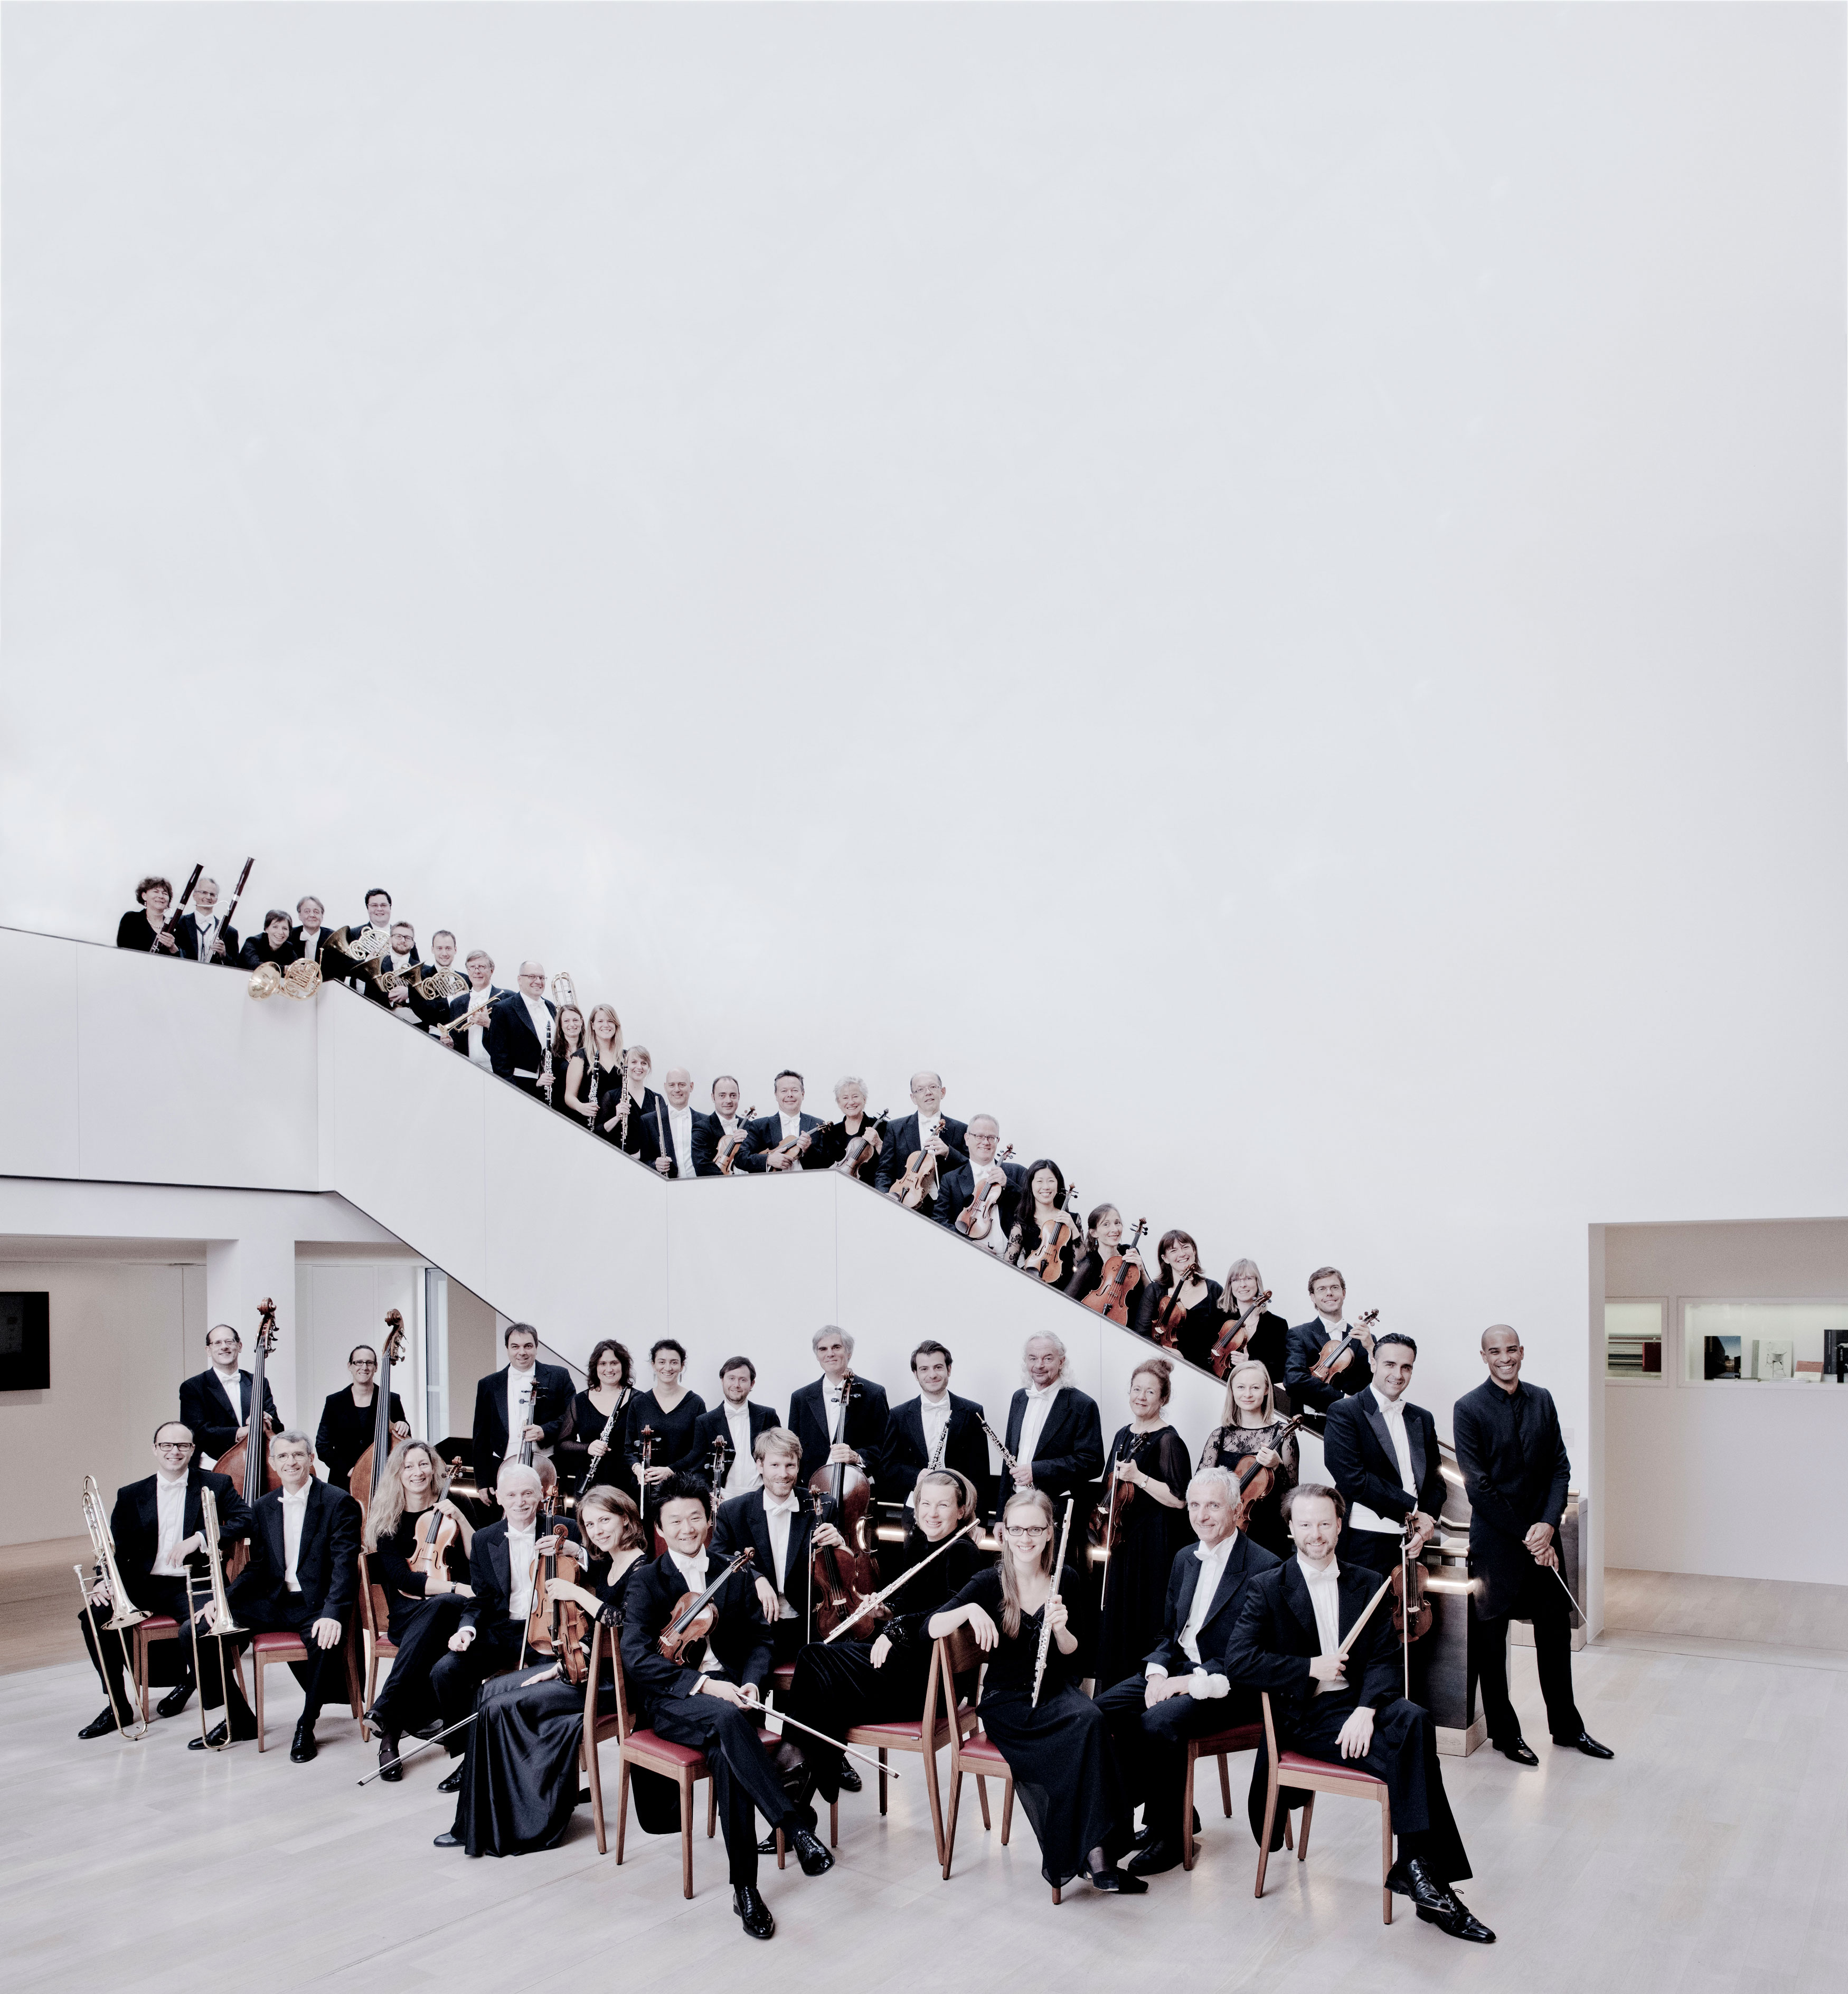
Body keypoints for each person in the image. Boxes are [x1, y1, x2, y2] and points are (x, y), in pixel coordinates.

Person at [1225, 1484, 1494, 1944]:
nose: (1315, 1533)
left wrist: (1367, 1708)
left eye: (1324, 1523)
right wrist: (1310, 1667)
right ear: (1291, 1529)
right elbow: (1239, 1661)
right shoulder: (1267, 1587)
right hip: (1306, 1716)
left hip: (1357, 1707)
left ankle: (1417, 1869)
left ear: (1339, 1525)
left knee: (1414, 1719)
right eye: (1305, 1524)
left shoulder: (1368, 1582)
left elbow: (1386, 1658)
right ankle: (1429, 1882)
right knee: (1414, 1756)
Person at [619, 1475, 835, 1939]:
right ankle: (793, 1824)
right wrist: (703, 1684)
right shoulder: (647, 1581)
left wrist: (753, 1682)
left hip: (735, 1696)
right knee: (727, 1718)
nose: (687, 1528)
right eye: (675, 1520)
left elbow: (760, 1638)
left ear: (709, 1520)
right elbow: (636, 1658)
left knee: (727, 1751)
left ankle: (745, 1890)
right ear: (659, 1527)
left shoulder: (733, 1570)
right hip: (674, 1699)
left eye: (695, 1517)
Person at [929, 1489, 1142, 1895]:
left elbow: (1077, 1655)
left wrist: (1061, 1629)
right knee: (1080, 1731)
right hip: (1008, 1702)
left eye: (1034, 1529)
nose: (1025, 1538)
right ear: (1004, 1533)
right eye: (1016, 1529)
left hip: (1055, 1691)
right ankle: (1092, 1856)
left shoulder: (1067, 1579)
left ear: (1049, 1533)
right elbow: (933, 1626)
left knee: (1093, 1719)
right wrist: (969, 1610)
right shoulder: (988, 1582)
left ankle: (1098, 1852)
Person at [436, 1485, 649, 1855]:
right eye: (590, 1523)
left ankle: (518, 1824)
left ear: (627, 1519)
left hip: (613, 1683)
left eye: (605, 1520)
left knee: (499, 1707)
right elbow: (593, 1635)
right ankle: (474, 1818)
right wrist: (561, 1666)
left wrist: (576, 1593)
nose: (598, 1530)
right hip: (583, 1668)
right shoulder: (608, 1563)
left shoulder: (643, 1568)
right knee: (490, 1692)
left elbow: (621, 1623)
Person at [1095, 1466, 1279, 1875]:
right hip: (1179, 1666)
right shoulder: (1185, 1557)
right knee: (1099, 1712)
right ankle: (1148, 1816)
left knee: (1158, 1721)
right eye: (1195, 1505)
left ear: (1236, 1508)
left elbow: (1247, 1655)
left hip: (1230, 1684)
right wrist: (1159, 1674)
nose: (1201, 1515)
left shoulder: (1264, 1566)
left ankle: (1171, 1834)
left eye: (1213, 1505)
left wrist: (1184, 1683)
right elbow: (1168, 1633)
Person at [779, 1467, 984, 1813]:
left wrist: (897, 1629)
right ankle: (803, 1799)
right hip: (907, 1670)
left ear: (961, 1510)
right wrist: (887, 1611)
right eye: (926, 1504)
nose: (932, 1513)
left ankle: (805, 1781)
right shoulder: (923, 1544)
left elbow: (951, 1611)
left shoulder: (962, 1551)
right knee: (821, 1681)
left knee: (814, 1660)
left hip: (929, 1684)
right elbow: (912, 1601)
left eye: (943, 1505)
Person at [1454, 1326, 1612, 1766]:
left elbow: (1560, 1468)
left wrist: (1548, 1524)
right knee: (1491, 1644)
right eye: (1495, 1351)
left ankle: (1568, 1729)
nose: (1505, 1358)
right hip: (1497, 1546)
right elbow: (1478, 1486)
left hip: (1544, 1540)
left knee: (1556, 1637)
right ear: (1484, 1356)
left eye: (1512, 1349)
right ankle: (1505, 1735)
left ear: (1521, 1352)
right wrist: (1530, 1534)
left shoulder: (1542, 1399)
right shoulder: (1468, 1407)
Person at [74, 1421, 252, 1738]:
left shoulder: (216, 1483)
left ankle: (238, 1716)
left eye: (182, 1445)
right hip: (142, 1585)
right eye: (167, 1445)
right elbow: (114, 1547)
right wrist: (105, 1579)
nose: (175, 1452)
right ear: (155, 1450)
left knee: (206, 1629)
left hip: (194, 1581)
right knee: (94, 1616)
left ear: (193, 1450)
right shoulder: (132, 1494)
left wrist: (200, 1538)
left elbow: (246, 1519)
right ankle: (118, 1705)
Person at [210, 1430, 360, 1761]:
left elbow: (344, 1566)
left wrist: (333, 1613)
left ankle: (307, 1724)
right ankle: (240, 1718)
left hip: (316, 1604)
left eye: (298, 1454)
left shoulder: (338, 1501)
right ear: (273, 1463)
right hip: (275, 1602)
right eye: (283, 1456)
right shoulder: (263, 1506)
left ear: (311, 1459)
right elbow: (257, 1566)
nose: (291, 1462)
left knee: (324, 1641)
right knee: (199, 1633)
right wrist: (223, 1600)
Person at [428, 1462, 578, 1787]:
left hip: (550, 1631)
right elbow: (480, 1598)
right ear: (498, 1497)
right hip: (501, 1630)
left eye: (528, 1494)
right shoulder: (485, 1539)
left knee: (540, 1690)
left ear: (541, 1495)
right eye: (511, 1495)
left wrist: (575, 1550)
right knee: (445, 1671)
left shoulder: (565, 1529)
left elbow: (600, 1568)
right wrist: (466, 1629)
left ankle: (537, 1769)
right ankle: (471, 1757)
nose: (520, 1502)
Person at [363, 1439, 476, 1780]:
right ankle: (394, 1726)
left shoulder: (457, 1503)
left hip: (455, 1613)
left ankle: (387, 1721)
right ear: (398, 1473)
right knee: (437, 1611)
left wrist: (461, 1519)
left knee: (443, 1607)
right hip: (408, 1612)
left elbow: (480, 1558)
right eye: (408, 1466)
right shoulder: (389, 1518)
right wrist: (453, 1587)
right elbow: (404, 1579)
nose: (417, 1472)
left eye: (423, 1464)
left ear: (434, 1467)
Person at [712, 1428, 850, 1665]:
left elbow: (840, 1571)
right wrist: (755, 1577)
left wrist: (840, 1545)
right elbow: (716, 1560)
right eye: (775, 1465)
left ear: (798, 1466)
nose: (783, 1474)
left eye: (790, 1465)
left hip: (810, 1622)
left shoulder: (824, 1506)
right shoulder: (733, 1511)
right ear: (760, 1466)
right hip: (755, 1624)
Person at [1096, 1359, 1194, 1693]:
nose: (1141, 1397)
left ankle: (1142, 1694)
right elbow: (1111, 1484)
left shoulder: (1169, 1440)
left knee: (1144, 1614)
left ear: (1163, 1399)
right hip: (1123, 1538)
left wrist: (1140, 1478)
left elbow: (1179, 1500)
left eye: (1150, 1392)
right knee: (1118, 1615)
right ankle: (1113, 1696)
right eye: (1136, 1390)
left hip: (1153, 1543)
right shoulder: (1123, 1434)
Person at [1323, 1332, 1445, 1578]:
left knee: (1408, 1605)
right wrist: (1413, 1512)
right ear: (1373, 1363)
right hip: (1364, 1539)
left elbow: (1436, 1480)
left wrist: (1424, 1525)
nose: (1398, 1374)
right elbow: (1353, 1479)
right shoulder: (1344, 1412)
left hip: (1412, 1539)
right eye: (1390, 1364)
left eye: (1406, 1367)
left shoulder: (1422, 1417)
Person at [1200, 1361, 1298, 1560]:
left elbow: (1292, 1499)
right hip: (1223, 1530)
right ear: (1232, 1391)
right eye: (1241, 1387)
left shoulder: (1284, 1435)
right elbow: (1201, 1489)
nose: (1248, 1394)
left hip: (1268, 1534)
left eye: (1255, 1387)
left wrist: (1278, 1466)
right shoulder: (1219, 1436)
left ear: (1266, 1390)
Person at [999, 1331, 1104, 1514]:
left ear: (1061, 1361)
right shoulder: (1019, 1398)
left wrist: (1037, 1470)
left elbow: (1093, 1463)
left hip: (1056, 1508)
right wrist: (1001, 1515)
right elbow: (1007, 1458)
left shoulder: (1082, 1405)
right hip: (1015, 1503)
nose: (1039, 1365)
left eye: (1047, 1358)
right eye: (1033, 1358)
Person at [880, 1340, 991, 1510]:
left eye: (938, 1367)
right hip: (917, 1507)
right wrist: (917, 1476)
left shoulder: (972, 1412)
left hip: (960, 1508)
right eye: (924, 1369)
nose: (932, 1375)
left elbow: (981, 1473)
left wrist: (978, 1518)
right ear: (916, 1374)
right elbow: (888, 1466)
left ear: (949, 1369)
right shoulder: (899, 1415)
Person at [471, 1322, 574, 1498]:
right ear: (507, 1349)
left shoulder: (559, 1376)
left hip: (548, 1464)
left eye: (528, 1346)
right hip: (503, 1464)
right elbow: (480, 1435)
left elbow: (572, 1417)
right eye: (515, 1347)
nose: (522, 1352)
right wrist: (482, 1481)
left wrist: (545, 1431)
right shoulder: (488, 1384)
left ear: (536, 1347)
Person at [788, 1326, 889, 1489]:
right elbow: (793, 1450)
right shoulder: (800, 1398)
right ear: (817, 1356)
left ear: (849, 1352)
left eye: (836, 1347)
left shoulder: (873, 1394)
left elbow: (886, 1448)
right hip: (812, 1488)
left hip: (857, 1488)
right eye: (823, 1349)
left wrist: (856, 1456)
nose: (830, 1354)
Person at [178, 1322, 280, 1464]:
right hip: (212, 1465)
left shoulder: (259, 1382)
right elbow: (196, 1431)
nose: (224, 1347)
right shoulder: (193, 1387)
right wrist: (240, 1432)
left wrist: (267, 1421)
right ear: (208, 1350)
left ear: (240, 1346)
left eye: (229, 1342)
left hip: (257, 1463)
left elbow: (279, 1428)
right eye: (217, 1343)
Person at [314, 1344, 410, 1492]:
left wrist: (404, 1426)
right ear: (350, 1366)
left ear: (376, 1367)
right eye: (359, 1362)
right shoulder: (335, 1402)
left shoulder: (392, 1400)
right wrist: (348, 1470)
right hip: (343, 1482)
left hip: (382, 1481)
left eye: (369, 1363)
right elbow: (322, 1446)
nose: (364, 1367)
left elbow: (405, 1443)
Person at [625, 1337, 709, 1500]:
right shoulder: (639, 1403)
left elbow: (699, 1451)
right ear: (653, 1365)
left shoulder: (696, 1403)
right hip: (644, 1487)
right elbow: (628, 1448)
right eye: (662, 1362)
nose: (668, 1368)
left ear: (682, 1366)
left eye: (674, 1362)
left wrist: (671, 1470)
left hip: (682, 1488)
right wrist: (637, 1468)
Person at [1285, 1264, 1376, 1412]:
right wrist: (1343, 1400)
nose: (1329, 1293)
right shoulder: (1299, 1335)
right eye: (1322, 1289)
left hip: (1352, 1420)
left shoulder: (1365, 1338)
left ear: (1344, 1293)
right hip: (1311, 1421)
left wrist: (1372, 1350)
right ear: (1313, 1297)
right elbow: (1294, 1380)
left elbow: (1376, 1386)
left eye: (1335, 1288)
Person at [687, 1356, 781, 1499]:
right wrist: (710, 1494)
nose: (736, 1385)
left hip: (762, 1494)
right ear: (722, 1380)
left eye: (743, 1380)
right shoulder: (705, 1422)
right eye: (731, 1378)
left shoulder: (768, 1416)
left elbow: (780, 1457)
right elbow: (697, 1468)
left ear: (752, 1384)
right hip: (723, 1496)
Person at [555, 1339, 636, 1500]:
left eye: (614, 1363)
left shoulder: (638, 1400)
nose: (609, 1369)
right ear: (595, 1367)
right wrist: (588, 1448)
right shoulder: (580, 1401)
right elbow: (563, 1444)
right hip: (589, 1485)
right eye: (603, 1364)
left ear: (623, 1365)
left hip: (627, 1482)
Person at [930, 1114, 1026, 1248]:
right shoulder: (951, 1180)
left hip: (1014, 1254)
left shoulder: (1017, 1172)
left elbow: (1035, 1207)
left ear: (998, 1141)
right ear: (967, 1139)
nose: (986, 1142)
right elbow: (939, 1220)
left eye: (991, 1138)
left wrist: (1008, 1185)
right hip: (970, 1253)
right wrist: (972, 1245)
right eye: (979, 1136)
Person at [1133, 1230, 1223, 1367]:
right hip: (1163, 1366)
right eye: (1174, 1250)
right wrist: (1167, 1353)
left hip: (1204, 1369)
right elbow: (1141, 1335)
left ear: (1194, 1250)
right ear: (1165, 1258)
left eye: (1185, 1247)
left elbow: (1224, 1337)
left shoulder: (1214, 1290)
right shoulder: (1155, 1291)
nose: (1182, 1254)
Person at [875, 1071, 968, 1194]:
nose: (928, 1092)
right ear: (913, 1098)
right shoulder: (895, 1128)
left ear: (943, 1092)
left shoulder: (962, 1129)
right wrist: (885, 1198)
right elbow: (884, 1172)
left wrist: (948, 1152)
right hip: (905, 1199)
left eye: (933, 1087)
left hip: (946, 1202)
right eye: (920, 1090)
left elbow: (971, 1169)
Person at [1212, 1259, 1291, 1401]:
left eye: (1248, 1278)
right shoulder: (1219, 1317)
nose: (1242, 1284)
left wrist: (1251, 1362)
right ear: (1230, 1285)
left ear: (1257, 1282)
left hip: (1258, 1399)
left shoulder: (1277, 1325)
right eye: (1236, 1280)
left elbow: (1281, 1371)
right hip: (1218, 1391)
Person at [484, 961, 556, 1095]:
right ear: (520, 980)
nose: (538, 981)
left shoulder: (550, 1007)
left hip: (552, 1085)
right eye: (532, 977)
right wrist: (514, 1091)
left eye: (542, 978)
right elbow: (499, 1059)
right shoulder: (503, 1009)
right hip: (521, 1086)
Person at [1005, 1159, 1077, 1283]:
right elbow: (1008, 1264)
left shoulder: (1072, 1219)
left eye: (1051, 1181)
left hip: (1066, 1289)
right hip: (1032, 1284)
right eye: (1040, 1181)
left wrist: (1073, 1228)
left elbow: (1081, 1265)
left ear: (1058, 1185)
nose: (1046, 1187)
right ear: (1031, 1185)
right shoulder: (1022, 1222)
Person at [1064, 1204, 1149, 1307]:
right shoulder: (1089, 1264)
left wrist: (1142, 1271)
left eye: (1117, 1223)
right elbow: (1065, 1301)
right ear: (1094, 1233)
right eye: (1106, 1225)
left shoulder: (1129, 1252)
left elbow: (1152, 1297)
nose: (1115, 1229)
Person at [740, 1069, 823, 1172]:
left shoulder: (817, 1125)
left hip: (808, 1181)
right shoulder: (760, 1126)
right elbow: (741, 1158)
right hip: (772, 1182)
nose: (790, 1095)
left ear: (803, 1094)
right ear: (776, 1095)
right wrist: (768, 1160)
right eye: (784, 1091)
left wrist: (808, 1150)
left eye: (795, 1090)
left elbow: (827, 1162)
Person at [803, 1076, 884, 1175]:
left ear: (864, 1099)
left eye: (855, 1097)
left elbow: (892, 1163)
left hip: (870, 1183)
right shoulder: (831, 1132)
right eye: (845, 1098)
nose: (851, 1102)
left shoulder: (881, 1127)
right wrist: (808, 1149)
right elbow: (822, 1166)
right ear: (839, 1103)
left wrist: (879, 1144)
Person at [561, 1002, 623, 1131]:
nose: (606, 1025)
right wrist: (581, 1107)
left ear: (616, 1025)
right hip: (589, 1126)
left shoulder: (625, 1057)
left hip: (618, 1125)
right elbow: (569, 1096)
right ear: (593, 1025)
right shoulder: (580, 1057)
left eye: (610, 1021)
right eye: (600, 1021)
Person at [436, 950, 503, 1066]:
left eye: (482, 967)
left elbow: (515, 1037)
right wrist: (452, 1044)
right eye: (472, 967)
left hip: (497, 1067)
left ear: (491, 971)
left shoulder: (506, 998)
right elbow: (458, 1040)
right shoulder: (457, 1004)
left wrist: (489, 1024)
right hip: (467, 1066)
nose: (477, 971)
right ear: (468, 971)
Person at [633, 1065, 700, 1178]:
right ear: (665, 1087)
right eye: (672, 1085)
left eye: (682, 1085)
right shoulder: (648, 1121)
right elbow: (643, 1162)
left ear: (691, 1086)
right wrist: (655, 1165)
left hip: (700, 1185)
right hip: (667, 1186)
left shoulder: (704, 1121)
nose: (677, 1090)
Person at [599, 1044, 666, 1153]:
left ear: (648, 1067)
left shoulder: (657, 1099)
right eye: (634, 1062)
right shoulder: (611, 1096)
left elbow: (664, 1136)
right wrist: (616, 1118)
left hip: (650, 1161)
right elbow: (597, 1133)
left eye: (644, 1063)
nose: (639, 1067)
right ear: (626, 1065)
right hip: (619, 1158)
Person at [692, 1075, 752, 1175]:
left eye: (733, 1095)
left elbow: (759, 1160)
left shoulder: (750, 1127)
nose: (728, 1101)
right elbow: (702, 1166)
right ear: (713, 1097)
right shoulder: (701, 1128)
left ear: (739, 1096)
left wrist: (750, 1142)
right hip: (718, 1184)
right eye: (722, 1096)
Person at [175, 874, 239, 966]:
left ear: (216, 899)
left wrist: (224, 955)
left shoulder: (231, 932)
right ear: (194, 896)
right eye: (204, 892)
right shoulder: (179, 923)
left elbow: (236, 966)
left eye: (212, 895)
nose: (208, 897)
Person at [364, 920, 422, 1013]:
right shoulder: (377, 965)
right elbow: (369, 997)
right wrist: (389, 996)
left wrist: (410, 994)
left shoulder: (423, 969)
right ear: (390, 940)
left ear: (412, 944)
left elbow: (429, 1002)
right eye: (398, 936)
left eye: (408, 938)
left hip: (414, 1019)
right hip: (382, 1015)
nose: (403, 940)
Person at [118, 875, 182, 955]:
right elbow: (124, 952)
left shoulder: (176, 927)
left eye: (165, 893)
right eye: (156, 892)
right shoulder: (131, 919)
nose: (161, 896)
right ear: (144, 896)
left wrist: (173, 948)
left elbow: (185, 959)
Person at [545, 1002, 588, 1114]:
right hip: (557, 1111)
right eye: (566, 1021)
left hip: (584, 1110)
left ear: (582, 1022)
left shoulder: (591, 1052)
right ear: (560, 1024)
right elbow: (541, 1086)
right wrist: (540, 1082)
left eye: (575, 1020)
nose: (572, 1025)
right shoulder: (549, 1052)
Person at [238, 909, 301, 973]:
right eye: (275, 927)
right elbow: (255, 966)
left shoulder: (289, 948)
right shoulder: (252, 942)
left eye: (285, 929)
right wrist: (285, 969)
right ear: (267, 929)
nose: (280, 932)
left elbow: (296, 969)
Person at [290, 894, 332, 969]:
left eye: (316, 912)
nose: (312, 915)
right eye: (307, 912)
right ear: (300, 915)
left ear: (322, 916)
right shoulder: (289, 935)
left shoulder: (332, 938)